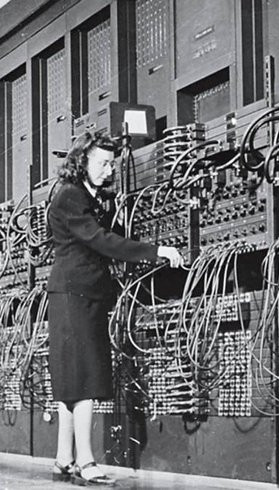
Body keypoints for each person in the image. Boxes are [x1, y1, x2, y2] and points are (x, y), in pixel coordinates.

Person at [47, 132, 184, 486]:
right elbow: (100, 240)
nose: (109, 171)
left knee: (74, 377)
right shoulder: (71, 195)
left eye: (112, 164)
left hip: (83, 294)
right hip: (74, 293)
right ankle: (86, 461)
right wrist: (155, 252)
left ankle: (64, 458)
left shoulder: (89, 197)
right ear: (82, 162)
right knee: (84, 377)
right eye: (102, 163)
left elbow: (113, 235)